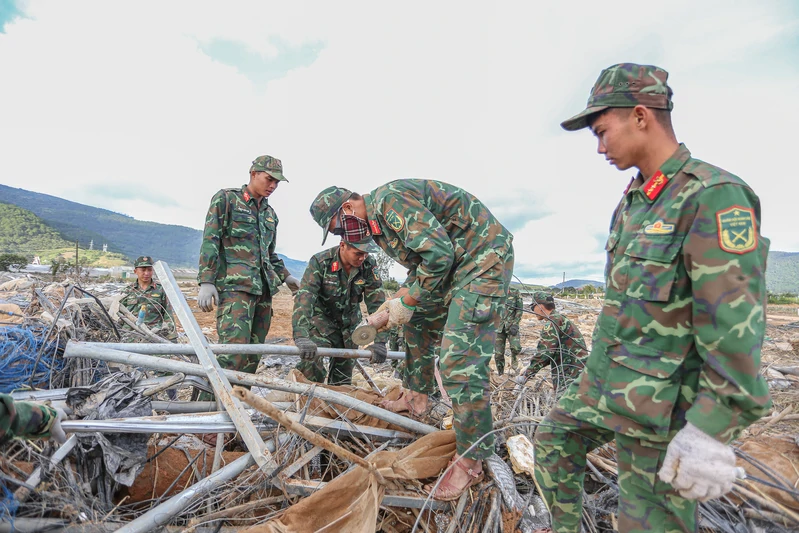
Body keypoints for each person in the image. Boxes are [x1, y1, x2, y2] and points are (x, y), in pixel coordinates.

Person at [534, 63, 771, 532]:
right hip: (608, 385)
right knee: (554, 440)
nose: (600, 147)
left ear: (641, 116)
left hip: (663, 406)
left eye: (603, 132)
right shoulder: (634, 203)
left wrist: (709, 429)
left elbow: (735, 327)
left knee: (645, 522)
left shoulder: (712, 197)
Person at [309, 180, 514, 501]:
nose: (341, 237)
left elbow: (439, 256)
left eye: (337, 229)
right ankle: (417, 396)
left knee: (459, 361)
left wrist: (407, 300)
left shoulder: (389, 203)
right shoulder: (377, 229)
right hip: (454, 266)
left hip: (481, 261)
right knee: (415, 321)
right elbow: (421, 267)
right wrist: (392, 307)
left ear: (347, 209)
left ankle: (471, 459)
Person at [197, 155, 301, 379]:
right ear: (254, 174)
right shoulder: (227, 199)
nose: (273, 185)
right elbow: (211, 240)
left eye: (277, 182)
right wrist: (206, 280)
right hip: (235, 291)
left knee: (252, 358)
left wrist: (287, 277)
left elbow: (269, 255)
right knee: (232, 355)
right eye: (269, 179)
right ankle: (209, 409)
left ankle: (240, 405)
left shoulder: (270, 215)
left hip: (263, 293)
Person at [292, 237, 387, 385]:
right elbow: (305, 298)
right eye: (358, 253)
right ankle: (308, 403)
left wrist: (380, 341)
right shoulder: (321, 262)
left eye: (366, 253)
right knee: (311, 365)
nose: (363, 257)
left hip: (349, 327)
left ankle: (334, 407)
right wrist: (301, 336)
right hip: (320, 324)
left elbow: (377, 304)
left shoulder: (368, 265)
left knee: (342, 381)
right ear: (342, 246)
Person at [514, 291, 587, 394]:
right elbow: (551, 353)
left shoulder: (552, 322)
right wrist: (530, 367)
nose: (533, 311)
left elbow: (545, 352)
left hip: (570, 373)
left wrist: (527, 374)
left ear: (539, 306)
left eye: (532, 307)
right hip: (576, 370)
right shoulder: (559, 319)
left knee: (565, 405)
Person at [120, 256, 176, 340]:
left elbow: (168, 315)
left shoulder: (161, 290)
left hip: (154, 334)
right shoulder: (127, 291)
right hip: (131, 335)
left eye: (149, 270)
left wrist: (172, 338)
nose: (146, 273)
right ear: (135, 271)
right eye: (143, 270)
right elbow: (119, 314)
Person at [1, 394, 66, 444]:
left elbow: (6, 399)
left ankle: (52, 418)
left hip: (31, 417)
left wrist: (12, 414)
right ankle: (46, 429)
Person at [493, 286, 523, 375]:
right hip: (499, 328)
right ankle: (500, 373)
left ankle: (514, 363)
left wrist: (515, 324)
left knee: (516, 347)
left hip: (511, 326)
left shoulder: (515, 292)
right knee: (498, 354)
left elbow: (519, 309)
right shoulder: (496, 292)